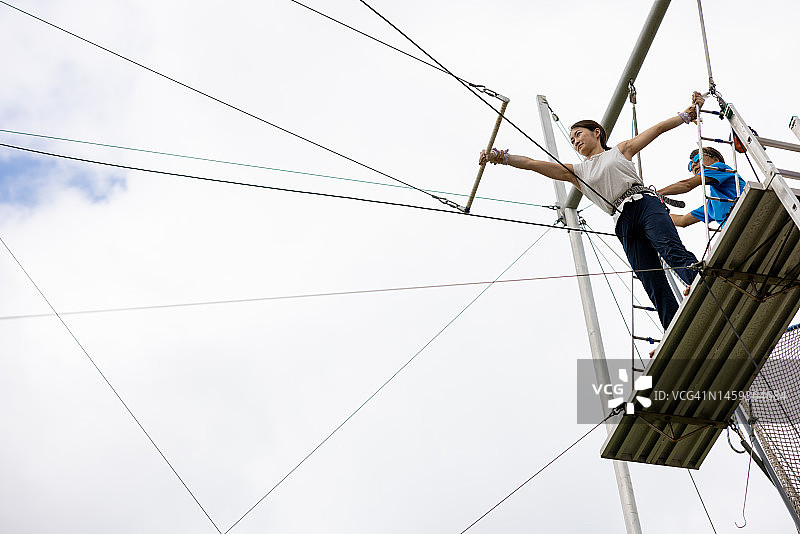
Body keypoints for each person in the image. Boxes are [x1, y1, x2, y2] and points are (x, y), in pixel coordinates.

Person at [480, 92, 705, 329]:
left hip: (644, 204)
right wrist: (500, 157)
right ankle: (672, 324)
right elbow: (534, 164)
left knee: (669, 247)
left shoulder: (620, 150)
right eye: (572, 140)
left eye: (578, 135)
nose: (575, 141)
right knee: (649, 277)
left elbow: (657, 129)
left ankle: (697, 280)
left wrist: (686, 115)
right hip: (622, 220)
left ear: (596, 132)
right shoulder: (577, 172)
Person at [657, 146, 746, 228]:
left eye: (697, 158)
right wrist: (654, 215)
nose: (693, 165)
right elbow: (683, 221)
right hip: (736, 226)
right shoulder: (713, 204)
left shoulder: (720, 168)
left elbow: (687, 184)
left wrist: (655, 193)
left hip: (745, 211)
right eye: (690, 165)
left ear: (715, 159)